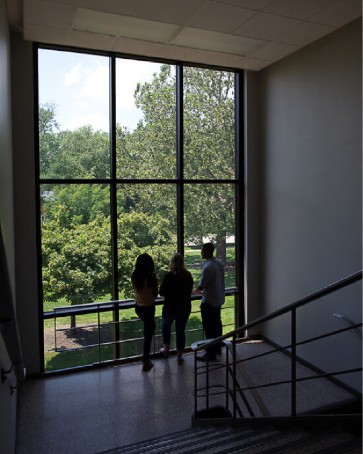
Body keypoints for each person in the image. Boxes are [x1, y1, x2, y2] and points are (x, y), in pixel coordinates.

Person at [192, 242, 225, 361]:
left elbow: (200, 288)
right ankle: (217, 348)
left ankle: (210, 354)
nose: (201, 252)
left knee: (209, 328)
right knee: (217, 325)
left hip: (209, 302)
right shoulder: (219, 263)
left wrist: (190, 292)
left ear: (208, 252)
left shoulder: (208, 268)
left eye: (202, 250)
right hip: (218, 299)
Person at [159, 253, 193, 365]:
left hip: (170, 307)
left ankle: (166, 350)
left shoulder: (169, 276)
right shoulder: (188, 275)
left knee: (166, 327)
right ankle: (179, 356)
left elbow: (161, 292)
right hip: (184, 307)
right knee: (180, 331)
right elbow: (189, 291)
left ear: (172, 262)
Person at [132, 253, 158, 372]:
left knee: (149, 330)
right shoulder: (151, 277)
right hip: (148, 307)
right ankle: (146, 361)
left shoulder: (135, 276)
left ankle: (146, 360)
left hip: (138, 306)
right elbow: (155, 294)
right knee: (148, 334)